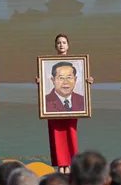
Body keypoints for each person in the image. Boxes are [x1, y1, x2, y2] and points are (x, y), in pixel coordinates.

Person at [37, 35, 93, 173]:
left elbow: (81, 83)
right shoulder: (48, 64)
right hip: (53, 107)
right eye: (59, 43)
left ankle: (72, 164)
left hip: (72, 108)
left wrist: (88, 82)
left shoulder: (77, 63)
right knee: (57, 134)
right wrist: (41, 82)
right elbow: (45, 82)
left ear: (68, 45)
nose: (61, 45)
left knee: (71, 134)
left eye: (64, 42)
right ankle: (61, 166)